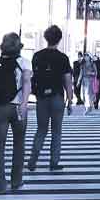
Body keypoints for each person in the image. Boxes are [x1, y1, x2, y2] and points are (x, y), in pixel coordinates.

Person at [0, 32, 31, 193]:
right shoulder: (25, 63)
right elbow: (26, 82)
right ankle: (16, 181)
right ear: (19, 46)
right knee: (19, 144)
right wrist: (24, 103)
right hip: (19, 107)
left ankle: (0, 185)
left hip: (0, 107)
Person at [29, 25, 72, 172]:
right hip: (57, 97)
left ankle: (33, 161)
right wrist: (70, 100)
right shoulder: (62, 58)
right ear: (59, 39)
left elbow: (32, 77)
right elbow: (67, 81)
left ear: (46, 38)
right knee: (56, 131)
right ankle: (54, 162)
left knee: (41, 129)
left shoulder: (37, 56)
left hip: (41, 97)